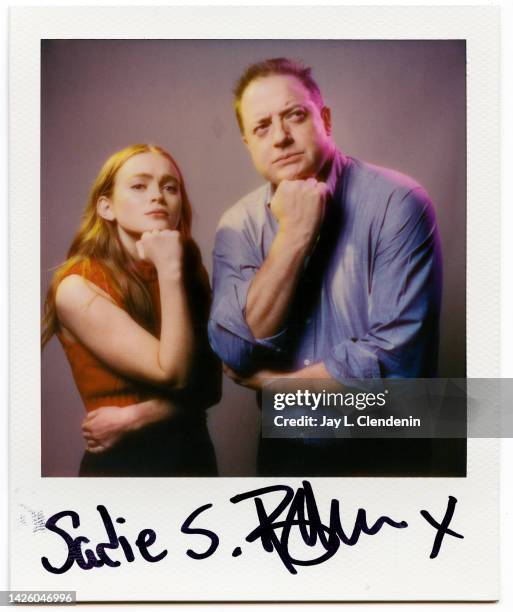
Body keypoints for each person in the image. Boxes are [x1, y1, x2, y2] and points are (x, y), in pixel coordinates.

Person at [208, 58, 460, 476]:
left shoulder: (399, 203)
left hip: (385, 456)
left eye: (294, 116)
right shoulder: (237, 224)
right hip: (284, 455)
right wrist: (293, 237)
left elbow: (396, 364)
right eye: (262, 127)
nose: (281, 137)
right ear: (248, 143)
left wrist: (275, 388)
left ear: (324, 119)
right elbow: (235, 349)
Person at [42, 144, 220, 477]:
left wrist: (135, 416)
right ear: (106, 207)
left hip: (194, 460)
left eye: (170, 187)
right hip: (124, 467)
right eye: (139, 186)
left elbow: (212, 385)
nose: (158, 196)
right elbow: (175, 374)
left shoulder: (186, 266)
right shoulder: (77, 287)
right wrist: (169, 270)